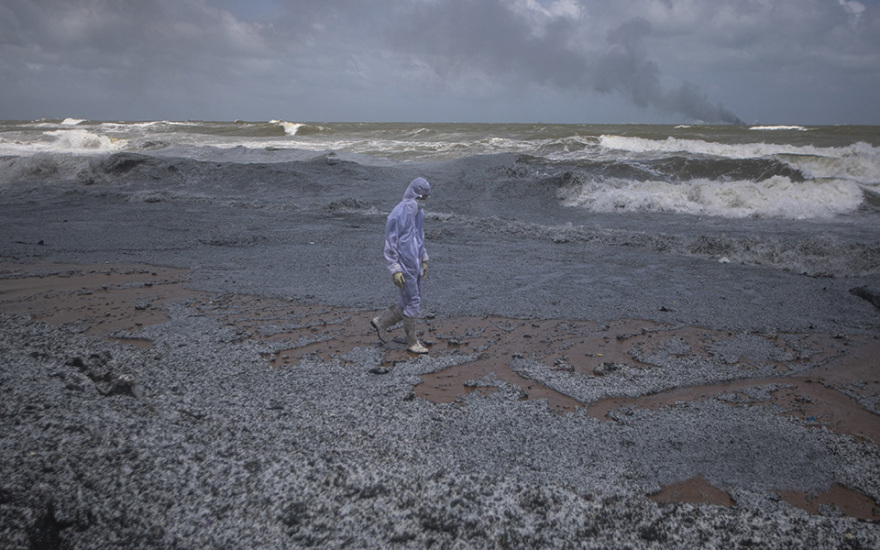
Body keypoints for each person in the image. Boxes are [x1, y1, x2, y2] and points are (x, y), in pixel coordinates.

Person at [371, 177, 431, 353]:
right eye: (421, 198)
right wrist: (394, 268)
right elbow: (391, 242)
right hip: (404, 263)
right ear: (414, 194)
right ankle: (412, 342)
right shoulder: (398, 213)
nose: (423, 202)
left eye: (425, 198)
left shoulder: (418, 213)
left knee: (408, 300)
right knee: (413, 301)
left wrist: (424, 258)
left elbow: (419, 237)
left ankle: (381, 322)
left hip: (415, 262)